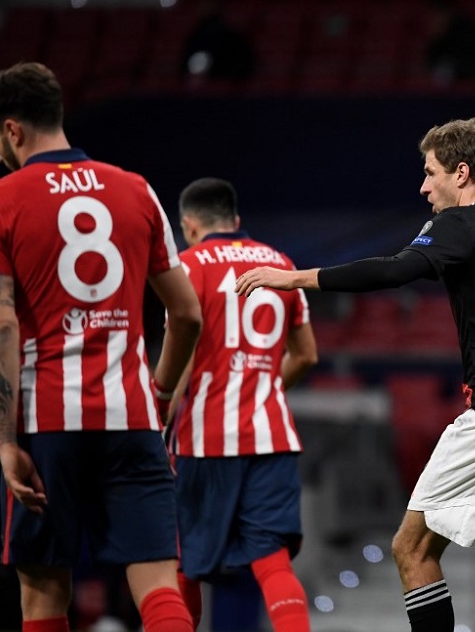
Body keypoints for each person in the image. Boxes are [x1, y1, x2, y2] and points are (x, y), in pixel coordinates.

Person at [234, 117, 475, 631]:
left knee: (413, 548)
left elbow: (395, 270)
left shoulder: (459, 225)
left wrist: (298, 278)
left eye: (430, 172)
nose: (423, 186)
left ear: (461, 173)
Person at [0, 62, 202, 632]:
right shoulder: (136, 189)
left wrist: (3, 440)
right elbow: (187, 313)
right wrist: (162, 392)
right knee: (158, 589)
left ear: (14, 129)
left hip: (47, 422)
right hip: (132, 416)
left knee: (44, 593)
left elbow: (0, 325)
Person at [165, 177, 318, 631]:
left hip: (203, 438)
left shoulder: (187, 267)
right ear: (235, 220)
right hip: (271, 435)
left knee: (183, 563)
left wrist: (160, 418)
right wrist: (263, 388)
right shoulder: (280, 263)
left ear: (189, 225)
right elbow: (307, 354)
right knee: (272, 563)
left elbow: (184, 361)